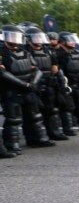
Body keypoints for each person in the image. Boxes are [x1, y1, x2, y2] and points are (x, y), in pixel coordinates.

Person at [1, 24, 56, 153]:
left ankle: (38, 139)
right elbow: (3, 73)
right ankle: (12, 144)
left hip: (29, 88)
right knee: (14, 119)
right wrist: (23, 84)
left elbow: (37, 69)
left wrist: (33, 83)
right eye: (12, 36)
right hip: (11, 90)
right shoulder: (2, 53)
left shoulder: (25, 51)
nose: (14, 40)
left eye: (17, 36)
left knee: (35, 115)